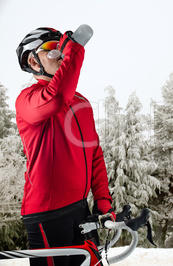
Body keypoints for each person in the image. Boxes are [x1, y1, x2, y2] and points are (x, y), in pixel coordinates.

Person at [15, 27, 114, 266]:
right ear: (32, 60)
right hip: (47, 215)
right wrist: (74, 50)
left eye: (62, 49)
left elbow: (94, 155)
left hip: (80, 210)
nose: (60, 55)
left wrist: (103, 201)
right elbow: (56, 97)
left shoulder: (80, 102)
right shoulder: (28, 100)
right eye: (51, 50)